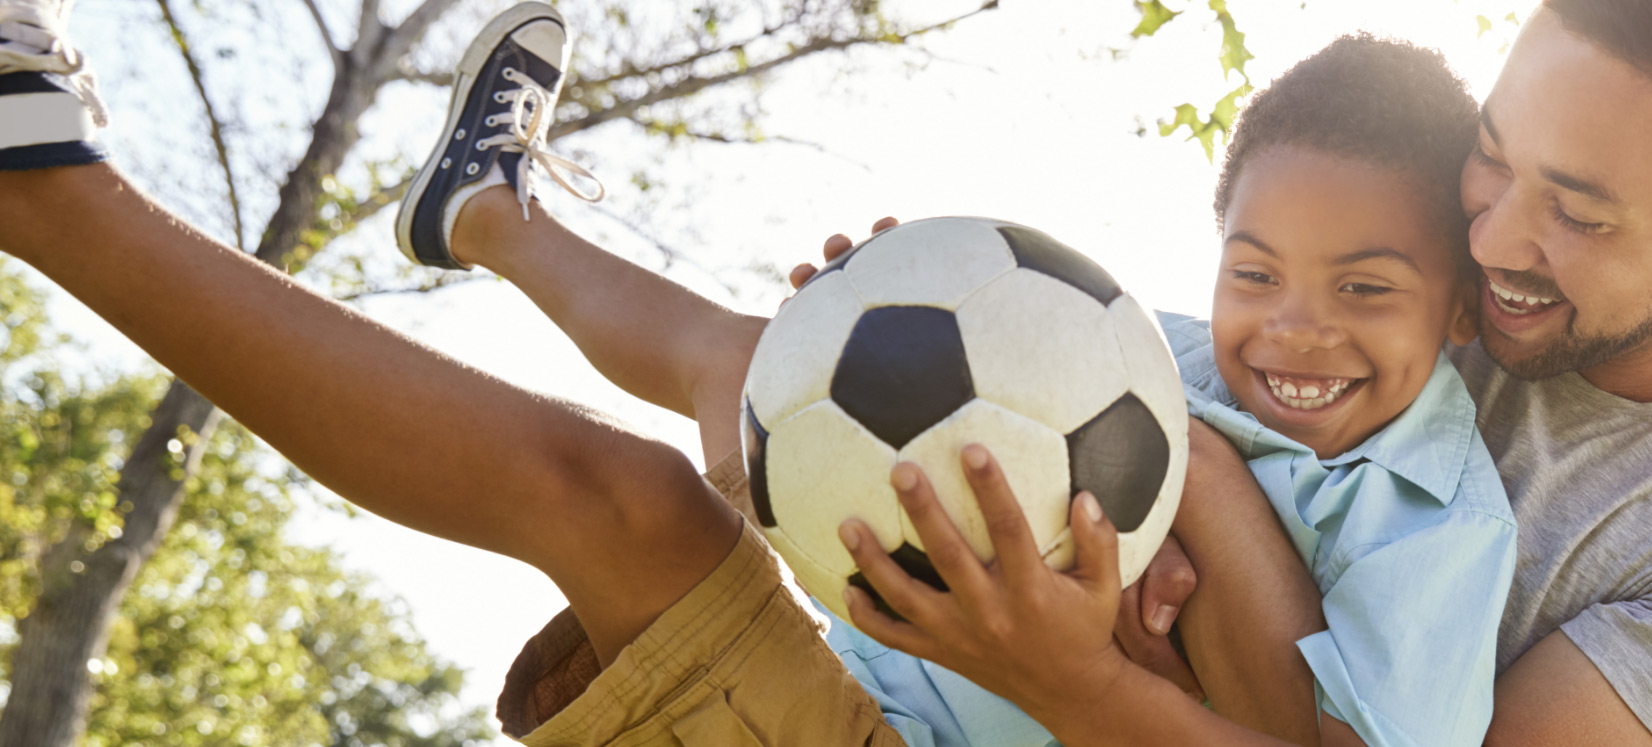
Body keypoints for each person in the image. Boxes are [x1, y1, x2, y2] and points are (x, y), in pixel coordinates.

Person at [1, 1, 1517, 744]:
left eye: (1363, 291)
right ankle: (484, 210)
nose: (1292, 332)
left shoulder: (1439, 513)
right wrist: (853, 342)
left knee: (616, 496)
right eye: (1254, 272)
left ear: (1454, 307)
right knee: (749, 368)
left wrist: (1100, 633)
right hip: (865, 656)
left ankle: (39, 182)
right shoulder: (1156, 355)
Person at [901, 2, 1652, 746]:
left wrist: (1190, 500)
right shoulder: (1401, 260)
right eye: (1493, 155)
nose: (1492, 234)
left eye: (1577, 213)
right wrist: (884, 321)